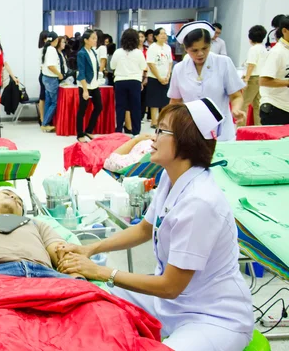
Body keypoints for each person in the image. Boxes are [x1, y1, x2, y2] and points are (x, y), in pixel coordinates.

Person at [58, 99, 253, 351]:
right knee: (91, 299)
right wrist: (90, 250)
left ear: (186, 141)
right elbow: (144, 229)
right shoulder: (170, 179)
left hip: (212, 317)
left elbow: (170, 286)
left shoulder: (200, 202)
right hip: (171, 303)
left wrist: (102, 272)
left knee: (101, 286)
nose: (153, 137)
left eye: (162, 131)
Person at [169, 21, 245, 141]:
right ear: (186, 48)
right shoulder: (179, 69)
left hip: (221, 131)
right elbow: (175, 101)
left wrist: (236, 109)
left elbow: (236, 96)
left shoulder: (224, 63)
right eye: (194, 50)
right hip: (191, 130)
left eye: (205, 48)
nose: (200, 54)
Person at [111, 29, 147, 135]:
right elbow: (143, 67)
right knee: (135, 107)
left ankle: (118, 131)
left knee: (120, 107)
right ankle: (136, 132)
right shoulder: (139, 53)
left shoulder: (118, 52)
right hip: (134, 81)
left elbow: (112, 66)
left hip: (120, 81)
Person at [259, 15, 289, 125]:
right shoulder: (277, 52)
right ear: (284, 31)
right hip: (276, 108)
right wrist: (287, 82)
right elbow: (264, 81)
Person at [239, 25, 268, 126]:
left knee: (243, 104)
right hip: (261, 78)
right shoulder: (264, 49)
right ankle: (258, 127)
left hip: (253, 78)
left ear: (250, 37)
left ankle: (240, 128)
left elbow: (251, 65)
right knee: (257, 105)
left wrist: (246, 79)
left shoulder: (253, 49)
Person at [76, 30, 100, 142]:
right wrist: (85, 90)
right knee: (82, 110)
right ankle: (80, 134)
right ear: (86, 40)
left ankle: (89, 130)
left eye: (96, 38)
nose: (95, 40)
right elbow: (81, 73)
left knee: (99, 107)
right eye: (93, 38)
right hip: (85, 86)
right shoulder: (82, 53)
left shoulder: (93, 52)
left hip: (94, 85)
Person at [146, 27, 173, 128]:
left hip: (166, 78)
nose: (164, 35)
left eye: (165, 34)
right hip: (154, 77)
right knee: (154, 101)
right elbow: (151, 63)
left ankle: (163, 121)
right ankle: (154, 121)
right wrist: (159, 77)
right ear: (156, 36)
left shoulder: (167, 47)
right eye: (161, 34)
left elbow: (170, 62)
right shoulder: (152, 47)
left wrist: (168, 75)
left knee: (165, 100)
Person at [40, 32, 61, 133]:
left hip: (46, 78)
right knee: (55, 102)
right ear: (56, 40)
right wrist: (59, 74)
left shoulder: (46, 49)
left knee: (48, 101)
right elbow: (51, 66)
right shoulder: (52, 49)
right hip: (51, 79)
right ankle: (45, 123)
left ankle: (45, 123)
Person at [37, 30, 49, 125]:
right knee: (43, 97)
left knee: (45, 97)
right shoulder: (42, 50)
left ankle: (44, 118)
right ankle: (41, 118)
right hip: (44, 74)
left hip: (46, 74)